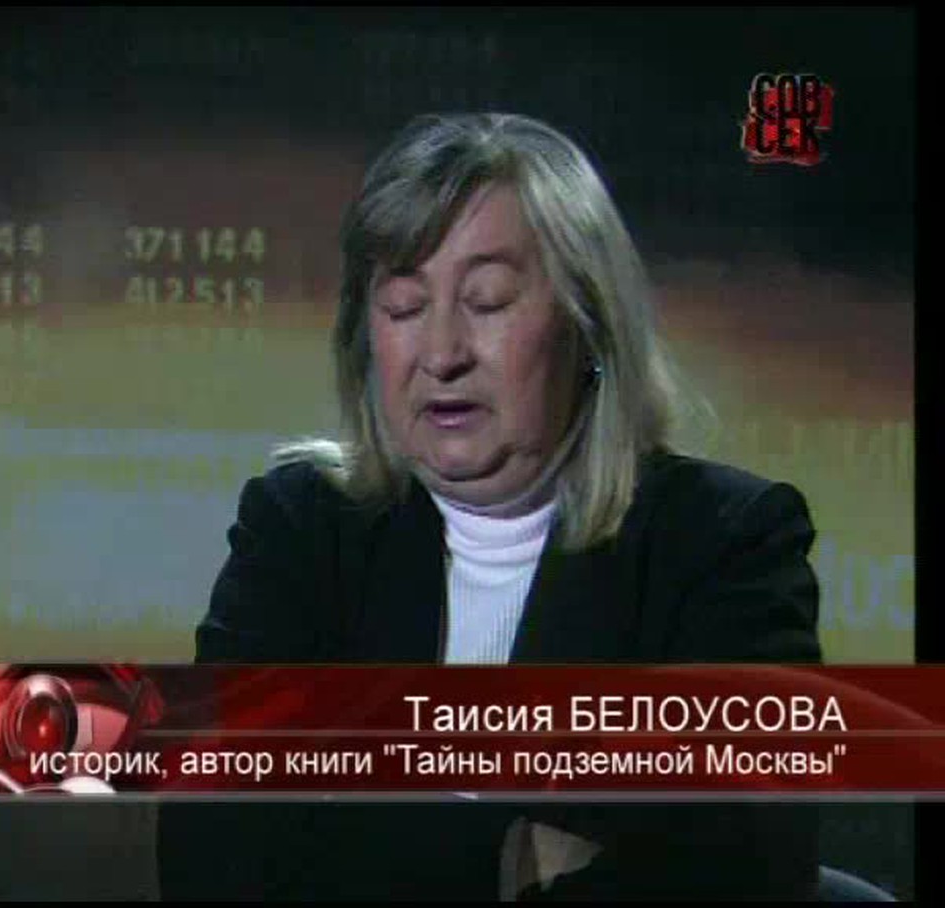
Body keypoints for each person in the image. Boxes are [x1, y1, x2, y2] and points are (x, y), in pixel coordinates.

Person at [158, 112, 821, 900]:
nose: (442, 354)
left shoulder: (722, 546)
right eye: (404, 306)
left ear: (590, 326)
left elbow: (745, 871)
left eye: (488, 299)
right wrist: (512, 854)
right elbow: (212, 852)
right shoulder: (301, 529)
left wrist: (356, 828)